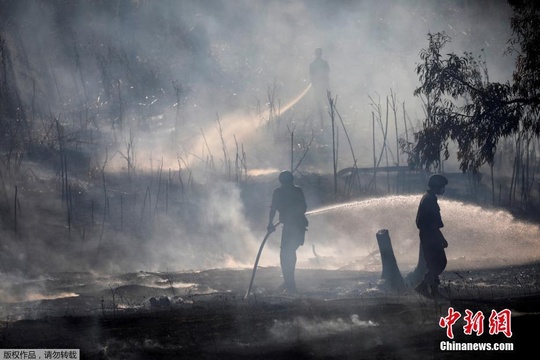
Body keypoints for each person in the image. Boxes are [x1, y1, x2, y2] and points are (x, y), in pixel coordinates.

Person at [267, 170, 308, 293]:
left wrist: (292, 215)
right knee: (287, 253)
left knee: (287, 252)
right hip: (291, 226)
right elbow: (273, 208)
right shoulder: (281, 192)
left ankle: (290, 283)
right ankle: (289, 282)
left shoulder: (292, 191)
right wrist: (270, 223)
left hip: (297, 226)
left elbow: (303, 207)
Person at [414, 174, 449, 299]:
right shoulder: (429, 200)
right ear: (436, 186)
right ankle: (423, 286)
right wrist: (441, 238)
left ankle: (434, 291)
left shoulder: (428, 198)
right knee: (440, 263)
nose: (443, 188)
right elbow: (433, 224)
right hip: (430, 236)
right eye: (442, 186)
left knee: (434, 263)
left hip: (428, 235)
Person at [309, 48, 330, 130]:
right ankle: (322, 116)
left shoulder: (315, 64)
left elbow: (327, 72)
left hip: (322, 85)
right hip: (319, 86)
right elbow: (312, 76)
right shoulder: (316, 64)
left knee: (324, 101)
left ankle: (325, 116)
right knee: (320, 101)